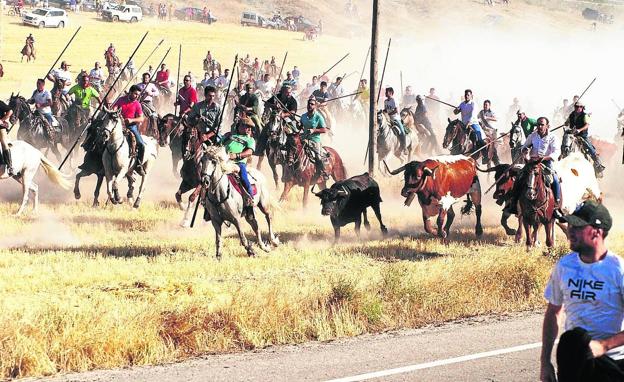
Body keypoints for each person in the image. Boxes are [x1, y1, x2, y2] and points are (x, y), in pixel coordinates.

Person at [540, 201, 624, 382]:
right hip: (574, 359)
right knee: (575, 339)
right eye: (569, 224)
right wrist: (545, 362)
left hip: (613, 363)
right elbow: (554, 311)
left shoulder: (618, 270)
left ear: (597, 231)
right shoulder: (564, 266)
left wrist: (603, 345)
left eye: (577, 226)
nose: (570, 230)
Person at [504, 116, 562, 218]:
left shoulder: (552, 137)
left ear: (547, 126)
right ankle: (513, 203)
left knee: (555, 180)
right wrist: (525, 150)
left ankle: (556, 207)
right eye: (538, 124)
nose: (539, 126)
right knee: (519, 178)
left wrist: (544, 158)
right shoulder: (532, 136)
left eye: (542, 124)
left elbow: (556, 152)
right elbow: (523, 147)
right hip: (531, 162)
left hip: (546, 162)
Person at [221, 116, 256, 212]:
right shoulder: (229, 135)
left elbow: (249, 152)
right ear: (239, 126)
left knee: (244, 178)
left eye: (250, 127)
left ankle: (250, 200)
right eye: (246, 126)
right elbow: (219, 143)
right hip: (223, 161)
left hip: (239, 163)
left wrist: (236, 155)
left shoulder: (250, 139)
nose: (249, 129)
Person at [564, 101, 605, 174]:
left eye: (580, 107)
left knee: (589, 147)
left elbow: (587, 125)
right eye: (576, 106)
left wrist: (579, 130)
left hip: (582, 135)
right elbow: (567, 122)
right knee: (565, 140)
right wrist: (566, 123)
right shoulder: (572, 114)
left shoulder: (585, 115)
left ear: (583, 108)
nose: (578, 108)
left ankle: (598, 164)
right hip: (572, 134)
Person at [113, 85, 146, 175]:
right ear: (130, 92)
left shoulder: (137, 104)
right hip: (118, 125)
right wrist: (115, 113)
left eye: (138, 95)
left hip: (131, 127)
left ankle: (139, 165)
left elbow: (141, 118)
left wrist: (131, 120)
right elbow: (114, 108)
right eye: (135, 94)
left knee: (141, 144)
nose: (137, 96)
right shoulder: (121, 100)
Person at [300, 98, 329, 180]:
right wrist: (299, 125)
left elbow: (324, 129)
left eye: (312, 104)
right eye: (309, 104)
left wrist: (314, 130)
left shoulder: (319, 117)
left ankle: (324, 172)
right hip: (304, 139)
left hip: (315, 140)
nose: (310, 105)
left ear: (315, 106)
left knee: (318, 157)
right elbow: (301, 125)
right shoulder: (303, 116)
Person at [477, 100, 500, 165]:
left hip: (491, 130)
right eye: (484, 105)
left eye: (486, 105)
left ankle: (496, 159)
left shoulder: (491, 112)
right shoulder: (481, 112)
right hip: (483, 130)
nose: (485, 106)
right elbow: (477, 118)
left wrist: (487, 117)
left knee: (493, 146)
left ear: (489, 106)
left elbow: (496, 119)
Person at [384, 87, 407, 151]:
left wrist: (389, 114)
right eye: (385, 92)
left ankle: (404, 147)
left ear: (391, 93)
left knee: (402, 132)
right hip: (388, 119)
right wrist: (383, 112)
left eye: (387, 92)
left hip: (396, 119)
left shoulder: (394, 100)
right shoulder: (385, 101)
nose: (385, 93)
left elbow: (397, 110)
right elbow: (386, 110)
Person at [0, 100, 14, 176]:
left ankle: (9, 166)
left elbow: (10, 111)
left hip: (0, 127)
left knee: (4, 143)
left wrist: (2, 120)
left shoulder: (0, 103)